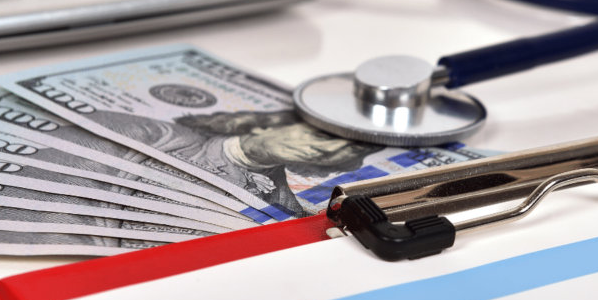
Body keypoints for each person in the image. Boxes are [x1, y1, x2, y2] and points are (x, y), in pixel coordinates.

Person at [93, 109, 383, 217]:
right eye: (322, 134)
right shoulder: (152, 133)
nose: (330, 148)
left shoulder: (284, 206)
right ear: (263, 125)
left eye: (349, 149)